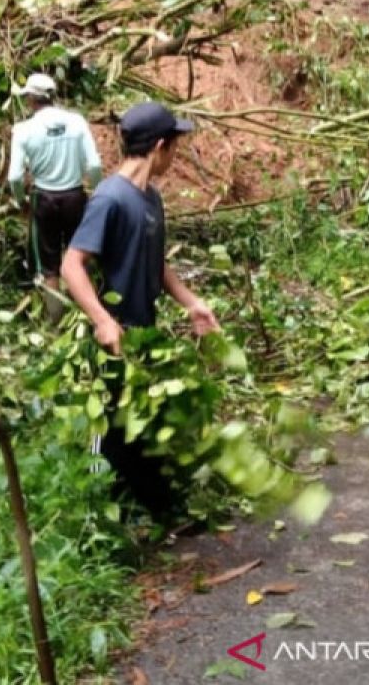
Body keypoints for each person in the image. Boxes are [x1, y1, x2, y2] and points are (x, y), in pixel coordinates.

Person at [60, 101, 219, 517]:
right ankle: (91, 521)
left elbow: (156, 261)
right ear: (161, 147)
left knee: (138, 424)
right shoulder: (110, 199)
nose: (175, 155)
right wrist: (102, 320)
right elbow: (71, 264)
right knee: (110, 429)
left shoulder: (149, 199)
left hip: (143, 331)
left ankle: (154, 507)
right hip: (113, 333)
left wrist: (191, 304)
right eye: (175, 147)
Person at [8, 73, 103, 323]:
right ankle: (90, 317)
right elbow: (94, 165)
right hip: (75, 197)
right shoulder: (76, 122)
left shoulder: (23, 130)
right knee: (80, 258)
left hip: (44, 199)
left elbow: (15, 177)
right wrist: (99, 192)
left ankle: (56, 321)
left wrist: (21, 202)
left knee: (49, 264)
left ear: (30, 98)